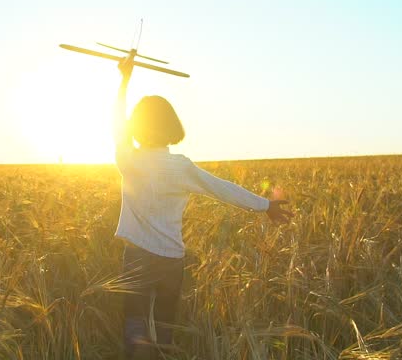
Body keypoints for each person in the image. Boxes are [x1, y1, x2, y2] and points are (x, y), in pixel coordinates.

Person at [113, 54, 294, 359]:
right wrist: (265, 205)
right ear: (171, 126)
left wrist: (124, 80)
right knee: (166, 327)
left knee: (136, 326)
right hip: (172, 259)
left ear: (135, 127)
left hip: (137, 256)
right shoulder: (181, 167)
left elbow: (116, 125)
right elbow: (223, 188)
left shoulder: (127, 160)